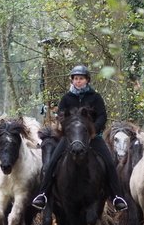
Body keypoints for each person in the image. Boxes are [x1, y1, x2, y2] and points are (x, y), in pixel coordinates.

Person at [32, 65, 128, 212]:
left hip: (93, 138)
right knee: (51, 162)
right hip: (71, 139)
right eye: (76, 79)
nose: (78, 81)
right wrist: (69, 131)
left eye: (81, 79)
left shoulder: (95, 97)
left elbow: (102, 115)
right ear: (72, 80)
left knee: (109, 163)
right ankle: (43, 195)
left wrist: (93, 130)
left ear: (87, 80)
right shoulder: (66, 98)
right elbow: (61, 116)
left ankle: (117, 197)